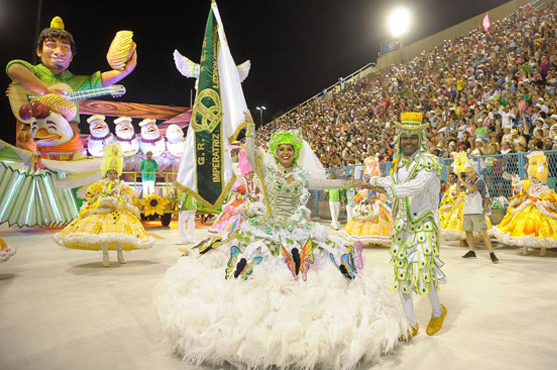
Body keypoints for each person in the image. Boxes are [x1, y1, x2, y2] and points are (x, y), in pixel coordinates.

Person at [155, 111, 407, 370]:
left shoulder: (301, 176)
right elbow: (252, 156)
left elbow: (328, 182)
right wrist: (251, 130)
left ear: (295, 152)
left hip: (299, 232)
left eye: (289, 149)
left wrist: (356, 182)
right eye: (281, 149)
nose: (285, 152)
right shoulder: (268, 171)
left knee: (311, 278)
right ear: (275, 151)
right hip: (267, 232)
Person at [368, 112, 447, 339]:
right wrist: (371, 182)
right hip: (403, 226)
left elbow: (416, 187)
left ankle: (438, 312)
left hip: (423, 224)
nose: (409, 142)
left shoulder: (430, 163)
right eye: (405, 138)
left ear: (420, 139)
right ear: (400, 140)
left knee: (424, 270)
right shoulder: (399, 167)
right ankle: (410, 323)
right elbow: (391, 183)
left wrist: (387, 188)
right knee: (402, 274)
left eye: (413, 138)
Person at [6, 16, 137, 150]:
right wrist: (45, 90)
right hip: (35, 135)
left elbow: (98, 81)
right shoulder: (35, 73)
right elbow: (14, 68)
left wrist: (125, 71)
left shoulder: (73, 82)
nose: (59, 52)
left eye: (65, 48)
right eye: (51, 45)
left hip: (66, 138)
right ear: (39, 51)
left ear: (71, 57)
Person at [52, 143, 154, 267]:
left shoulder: (121, 185)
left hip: (118, 212)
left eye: (114, 173)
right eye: (110, 173)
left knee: (119, 235)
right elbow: (90, 194)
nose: (113, 175)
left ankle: (120, 254)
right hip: (103, 211)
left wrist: (125, 203)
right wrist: (100, 199)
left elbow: (129, 197)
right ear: (106, 173)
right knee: (104, 236)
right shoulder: (100, 184)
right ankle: (105, 255)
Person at [492, 152, 557, 256]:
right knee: (523, 228)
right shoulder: (528, 185)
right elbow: (518, 187)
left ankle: (543, 249)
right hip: (527, 207)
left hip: (539, 209)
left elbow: (550, 199)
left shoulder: (545, 189)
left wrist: (539, 202)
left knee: (542, 229)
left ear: (540, 177)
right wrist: (515, 179)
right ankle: (525, 248)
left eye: (535, 177)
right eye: (532, 177)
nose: (533, 179)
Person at [208, 149, 261, 235]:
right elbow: (242, 190)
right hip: (238, 206)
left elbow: (258, 192)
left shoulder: (255, 181)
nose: (253, 173)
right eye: (251, 171)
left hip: (253, 206)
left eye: (253, 170)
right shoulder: (239, 181)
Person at [457, 164, 499, 263]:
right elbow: (458, 191)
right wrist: (458, 181)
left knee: (482, 232)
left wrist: (462, 180)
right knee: (468, 231)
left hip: (477, 210)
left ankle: (491, 253)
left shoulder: (480, 181)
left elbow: (472, 189)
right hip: (468, 210)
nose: (466, 174)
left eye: (468, 172)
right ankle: (471, 251)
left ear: (473, 172)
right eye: (465, 173)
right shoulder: (467, 181)